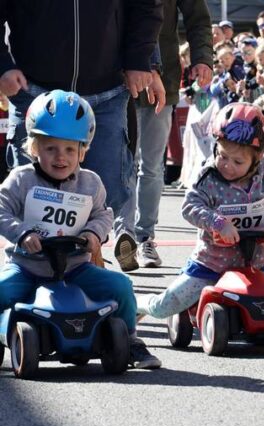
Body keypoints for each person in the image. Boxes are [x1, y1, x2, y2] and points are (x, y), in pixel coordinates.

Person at [0, 91, 161, 368]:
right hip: (28, 267)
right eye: (50, 148)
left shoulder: (91, 183)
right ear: (35, 148)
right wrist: (22, 233)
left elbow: (103, 214)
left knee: (120, 286)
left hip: (75, 268)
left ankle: (131, 341)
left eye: (70, 150)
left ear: (83, 151)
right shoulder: (21, 180)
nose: (60, 157)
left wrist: (93, 234)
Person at [0, 0, 164, 271]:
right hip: (33, 88)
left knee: (105, 189)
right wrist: (3, 65)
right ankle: (27, 269)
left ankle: (86, 264)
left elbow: (147, 5)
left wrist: (142, 61)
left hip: (107, 91)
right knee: (29, 193)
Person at [136, 103, 264, 321]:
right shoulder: (209, 176)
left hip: (258, 264)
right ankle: (139, 304)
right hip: (211, 265)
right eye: (222, 156)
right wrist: (217, 222)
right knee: (164, 307)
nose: (227, 165)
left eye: (238, 161)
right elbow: (190, 206)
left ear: (257, 158)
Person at [128, 0, 213, 271]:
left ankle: (144, 238)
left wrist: (202, 59)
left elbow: (197, 19)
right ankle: (119, 234)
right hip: (115, 78)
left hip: (163, 81)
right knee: (120, 163)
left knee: (152, 166)